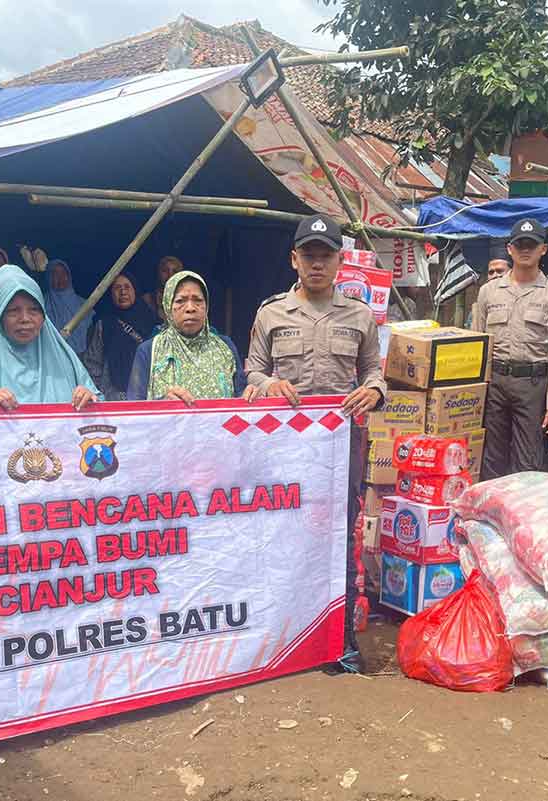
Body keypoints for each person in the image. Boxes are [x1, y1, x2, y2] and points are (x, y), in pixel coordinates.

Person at [242, 213, 385, 673]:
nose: (317, 264)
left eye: (326, 256)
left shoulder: (360, 316)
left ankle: (339, 640)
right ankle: (282, 635)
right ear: (294, 260)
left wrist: (376, 392)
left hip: (341, 447)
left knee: (339, 539)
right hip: (284, 449)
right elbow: (253, 370)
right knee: (282, 536)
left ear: (340, 261)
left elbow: (375, 373)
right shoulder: (271, 313)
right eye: (309, 256)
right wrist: (267, 387)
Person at [470, 218, 548, 477]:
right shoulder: (489, 292)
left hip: (533, 384)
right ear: (510, 248)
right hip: (495, 383)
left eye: (532, 244)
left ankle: (520, 516)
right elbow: (476, 344)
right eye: (520, 244)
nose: (525, 250)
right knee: (492, 458)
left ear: (543, 249)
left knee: (528, 460)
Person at [0, 265, 98, 409]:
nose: (25, 318)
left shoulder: (64, 360)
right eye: (13, 311)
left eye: (34, 310)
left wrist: (88, 398)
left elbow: (101, 408)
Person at [128, 270, 246, 402]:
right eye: (180, 301)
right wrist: (162, 403)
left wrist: (250, 396)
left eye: (198, 300)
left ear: (206, 307)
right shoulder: (149, 351)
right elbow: (134, 408)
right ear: (168, 306)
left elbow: (241, 398)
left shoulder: (225, 347)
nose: (190, 308)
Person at [84, 272, 158, 400]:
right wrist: (97, 396)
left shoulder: (152, 323)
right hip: (113, 399)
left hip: (148, 397)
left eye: (127, 287)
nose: (123, 292)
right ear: (110, 294)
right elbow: (93, 364)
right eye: (117, 288)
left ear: (135, 291)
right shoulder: (104, 325)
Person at [43, 259, 90, 357]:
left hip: (84, 361)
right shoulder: (40, 305)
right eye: (55, 274)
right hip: (53, 359)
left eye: (64, 273)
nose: (60, 277)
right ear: (49, 278)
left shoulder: (85, 305)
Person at [143, 255, 184, 321]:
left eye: (175, 271)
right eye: (165, 270)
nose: (170, 275)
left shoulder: (187, 301)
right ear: (158, 273)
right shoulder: (148, 300)